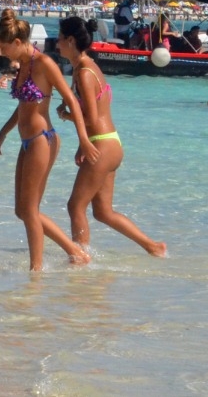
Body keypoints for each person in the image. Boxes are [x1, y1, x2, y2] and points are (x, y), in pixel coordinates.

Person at [0, 10, 93, 270]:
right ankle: (74, 252)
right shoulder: (22, 65)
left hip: (42, 140)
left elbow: (72, 101)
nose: (1, 52)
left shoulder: (44, 63)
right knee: (22, 211)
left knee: (29, 210)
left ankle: (36, 270)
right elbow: (24, 106)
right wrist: (2, 134)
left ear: (16, 43)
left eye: (2, 47)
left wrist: (84, 140)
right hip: (27, 141)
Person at [56, 17, 166, 257]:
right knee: (103, 211)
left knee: (75, 206)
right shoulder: (85, 67)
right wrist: (81, 143)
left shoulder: (84, 72)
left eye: (60, 38)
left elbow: (91, 118)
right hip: (109, 142)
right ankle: (152, 246)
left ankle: (81, 257)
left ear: (71, 40)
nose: (56, 44)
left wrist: (66, 116)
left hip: (102, 145)